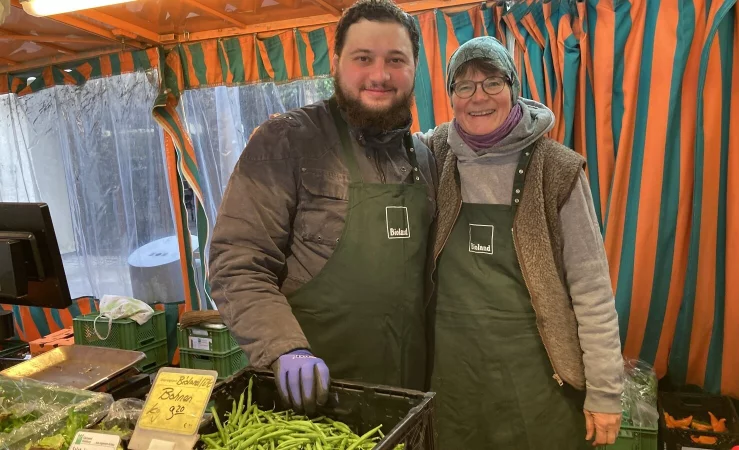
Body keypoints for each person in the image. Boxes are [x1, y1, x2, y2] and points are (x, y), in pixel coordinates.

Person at [209, 0, 436, 414]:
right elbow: (236, 264)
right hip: (315, 397)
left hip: (405, 398)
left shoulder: (423, 157)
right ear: (336, 62)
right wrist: (284, 348)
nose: (380, 74)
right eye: (363, 58)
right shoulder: (286, 142)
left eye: (396, 60)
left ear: (415, 67)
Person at [417, 36, 624, 448]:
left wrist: (605, 392)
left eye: (492, 82)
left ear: (513, 88)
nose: (479, 97)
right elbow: (379, 146)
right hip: (453, 375)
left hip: (536, 378)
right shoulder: (435, 152)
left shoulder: (557, 169)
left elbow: (592, 290)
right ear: (450, 96)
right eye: (464, 85)